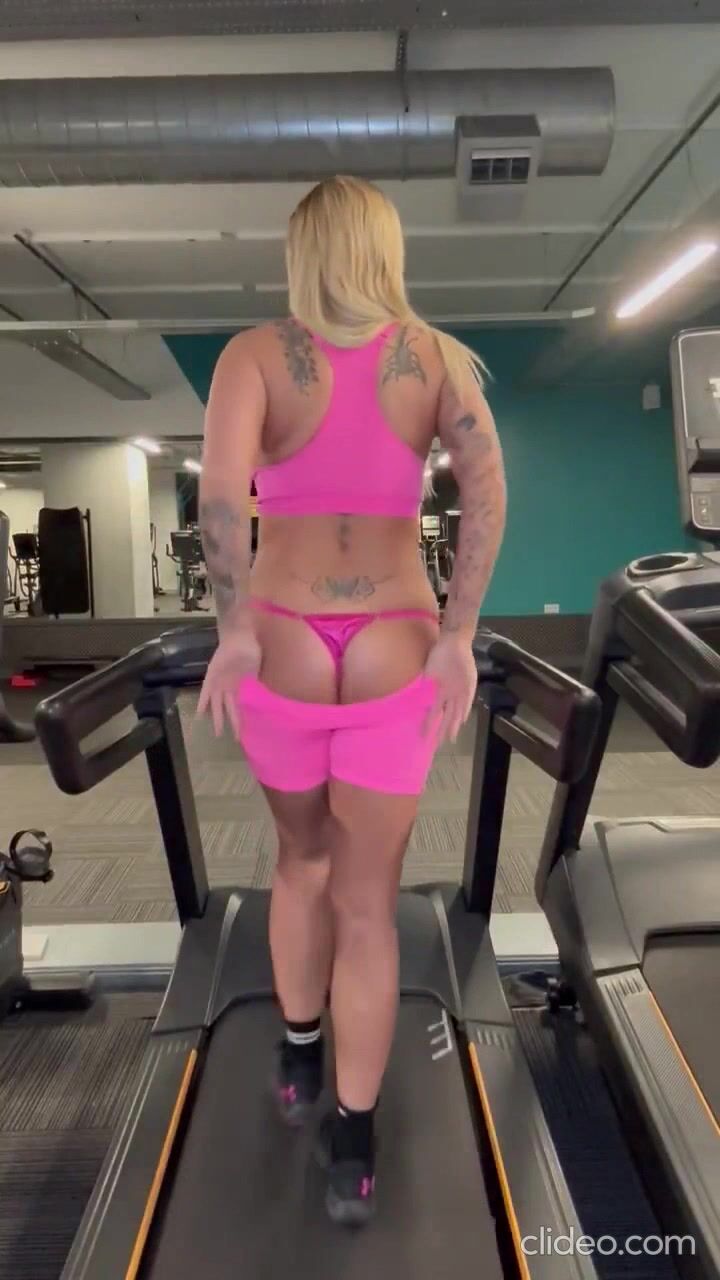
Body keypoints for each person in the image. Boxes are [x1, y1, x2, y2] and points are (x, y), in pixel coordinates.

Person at [197, 175, 506, 1226]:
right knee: (369, 904)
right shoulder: (435, 358)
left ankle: (298, 1055)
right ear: (384, 248)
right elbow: (487, 489)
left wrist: (237, 631)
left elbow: (218, 497)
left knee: (301, 862)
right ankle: (355, 1146)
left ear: (302, 252)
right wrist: (457, 636)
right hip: (394, 638)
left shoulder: (251, 355)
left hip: (283, 634)